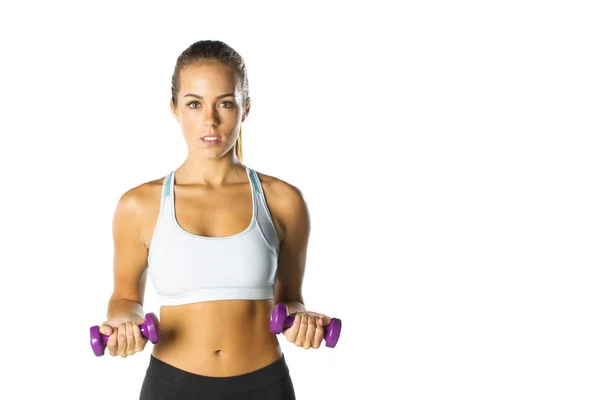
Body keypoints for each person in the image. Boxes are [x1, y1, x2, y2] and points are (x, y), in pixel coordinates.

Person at [97, 39, 334, 400]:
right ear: (174, 108)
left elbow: (290, 300)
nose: (209, 120)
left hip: (264, 384)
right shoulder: (139, 204)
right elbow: (124, 298)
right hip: (171, 385)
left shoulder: (284, 201)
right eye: (194, 104)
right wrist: (124, 322)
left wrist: (302, 321)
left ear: (246, 109)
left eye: (225, 103)